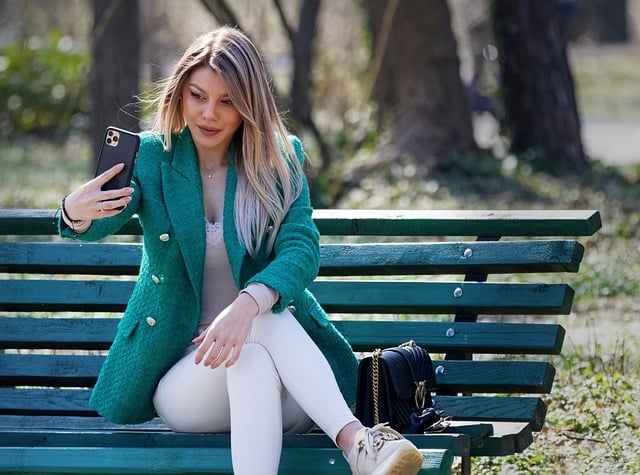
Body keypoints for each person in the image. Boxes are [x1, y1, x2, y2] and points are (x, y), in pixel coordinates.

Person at [58, 26, 422, 475]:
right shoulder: (155, 158)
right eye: (198, 96)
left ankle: (355, 443)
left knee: (254, 337)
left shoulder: (278, 158)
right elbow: (106, 217)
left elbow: (301, 248)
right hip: (189, 379)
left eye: (227, 101)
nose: (210, 113)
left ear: (250, 105)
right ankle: (357, 443)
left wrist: (245, 306)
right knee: (256, 328)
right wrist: (76, 212)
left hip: (291, 389)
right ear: (180, 95)